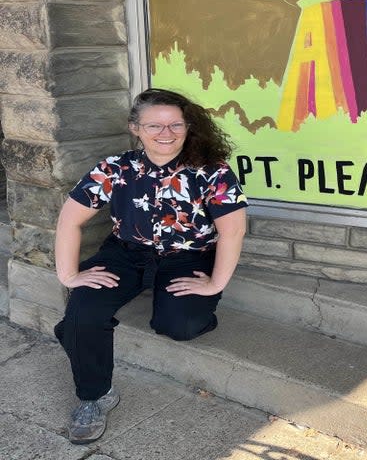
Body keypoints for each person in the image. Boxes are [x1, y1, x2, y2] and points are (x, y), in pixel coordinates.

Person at [53, 88, 247, 444]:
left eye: (175, 124)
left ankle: (82, 333)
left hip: (187, 257)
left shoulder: (212, 172)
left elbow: (233, 231)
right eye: (154, 125)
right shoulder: (114, 169)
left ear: (188, 127)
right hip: (126, 253)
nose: (166, 133)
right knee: (84, 308)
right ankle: (94, 397)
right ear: (135, 128)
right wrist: (68, 275)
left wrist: (215, 284)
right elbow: (69, 221)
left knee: (181, 325)